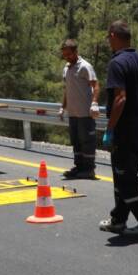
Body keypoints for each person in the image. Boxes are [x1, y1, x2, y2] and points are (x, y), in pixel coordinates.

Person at [98, 20, 138, 237]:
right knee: (123, 175)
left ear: (115, 36)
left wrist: (110, 128)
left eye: (108, 37)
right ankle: (118, 219)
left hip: (125, 130)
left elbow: (120, 99)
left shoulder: (117, 64)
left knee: (126, 177)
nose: (108, 41)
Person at [58, 39, 100, 180]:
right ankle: (79, 167)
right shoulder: (67, 68)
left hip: (85, 113)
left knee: (87, 141)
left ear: (76, 52)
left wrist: (94, 103)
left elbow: (96, 86)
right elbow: (67, 89)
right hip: (73, 113)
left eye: (69, 54)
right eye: (64, 55)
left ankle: (89, 169)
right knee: (76, 141)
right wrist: (63, 107)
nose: (67, 57)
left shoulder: (85, 67)